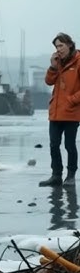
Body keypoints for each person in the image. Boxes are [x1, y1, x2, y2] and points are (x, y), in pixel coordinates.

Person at [39, 32, 80, 187]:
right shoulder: (58, 63)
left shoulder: (78, 62)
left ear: (69, 44)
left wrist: (71, 101)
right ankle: (56, 175)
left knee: (70, 145)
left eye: (61, 45)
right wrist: (52, 66)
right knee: (53, 145)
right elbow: (49, 81)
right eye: (56, 46)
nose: (59, 49)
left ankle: (70, 176)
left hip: (71, 113)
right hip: (56, 113)